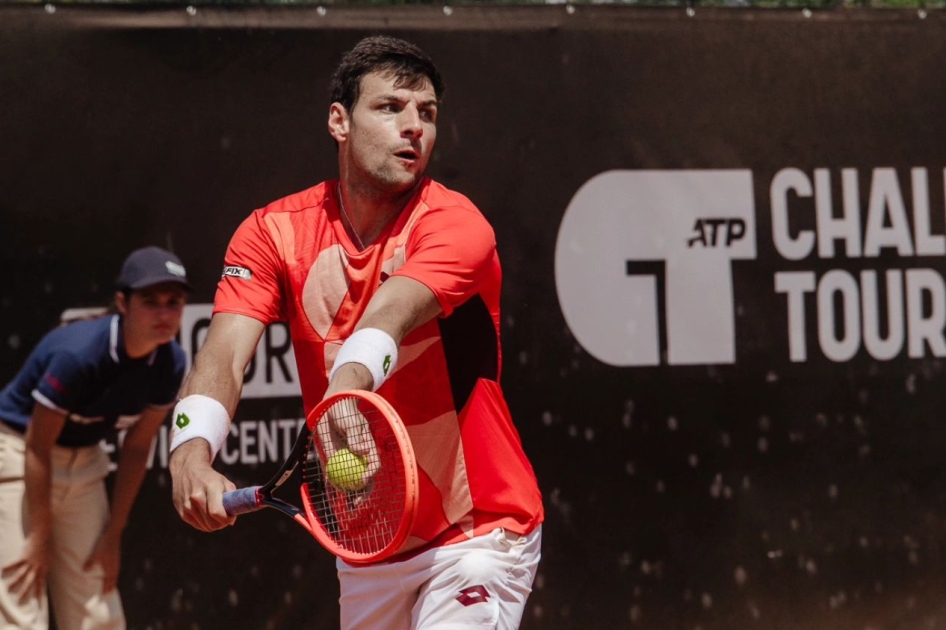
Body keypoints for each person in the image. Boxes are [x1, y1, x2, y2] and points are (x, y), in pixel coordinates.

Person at [168, 35, 544, 629]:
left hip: (478, 536)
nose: (413, 126)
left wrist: (344, 407)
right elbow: (224, 354)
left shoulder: (456, 224)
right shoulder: (271, 234)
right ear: (339, 121)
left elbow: (388, 315)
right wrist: (190, 456)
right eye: (390, 107)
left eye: (427, 113)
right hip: (369, 541)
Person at [0, 246, 190, 630]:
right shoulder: (79, 354)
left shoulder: (171, 362)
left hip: (83, 463)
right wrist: (40, 536)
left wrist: (113, 533)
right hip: (19, 453)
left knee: (96, 611)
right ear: (123, 302)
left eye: (174, 302)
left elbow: (137, 448)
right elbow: (38, 446)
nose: (164, 314)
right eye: (150, 302)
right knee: (21, 605)